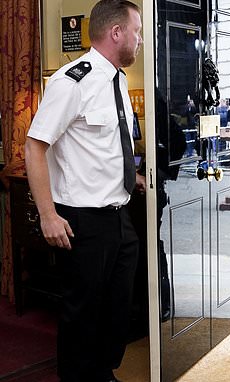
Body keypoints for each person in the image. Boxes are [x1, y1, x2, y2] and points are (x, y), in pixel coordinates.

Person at [24, 1, 144, 381]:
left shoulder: (119, 79)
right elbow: (35, 146)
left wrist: (131, 178)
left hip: (119, 215)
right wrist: (47, 214)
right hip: (83, 219)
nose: (139, 39)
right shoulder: (71, 81)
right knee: (83, 311)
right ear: (116, 33)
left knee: (118, 306)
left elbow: (104, 146)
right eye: (137, 31)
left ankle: (103, 372)